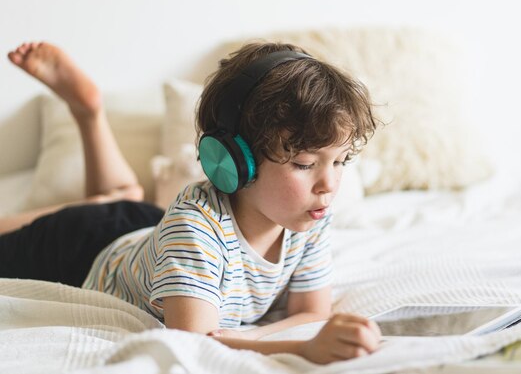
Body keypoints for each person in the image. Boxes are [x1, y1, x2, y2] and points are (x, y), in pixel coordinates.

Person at [1, 41, 380, 364]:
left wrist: (257, 336)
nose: (329, 185)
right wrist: (305, 347)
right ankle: (89, 116)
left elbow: (312, 311)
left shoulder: (309, 213)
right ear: (233, 162)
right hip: (79, 246)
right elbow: (195, 342)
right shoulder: (194, 228)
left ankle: (104, 161)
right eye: (305, 164)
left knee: (122, 203)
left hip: (146, 230)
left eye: (340, 161)